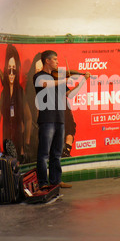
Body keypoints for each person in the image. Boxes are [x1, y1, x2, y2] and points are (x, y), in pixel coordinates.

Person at [33, 50, 90, 189]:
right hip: (47, 119)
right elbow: (46, 85)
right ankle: (43, 183)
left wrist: (82, 81)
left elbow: (69, 95)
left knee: (56, 153)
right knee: (44, 154)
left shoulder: (57, 78)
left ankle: (56, 181)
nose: (58, 62)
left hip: (60, 118)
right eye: (55, 59)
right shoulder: (39, 76)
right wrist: (64, 80)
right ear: (47, 61)